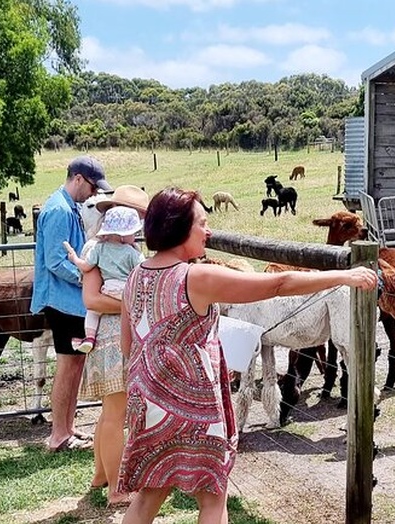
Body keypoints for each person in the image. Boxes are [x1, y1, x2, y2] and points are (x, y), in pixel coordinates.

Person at [118, 187, 378, 524]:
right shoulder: (195, 277)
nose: (208, 231)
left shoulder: (136, 275)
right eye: (202, 223)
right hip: (193, 403)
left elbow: (129, 345)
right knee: (213, 497)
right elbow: (278, 285)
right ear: (178, 227)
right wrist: (344, 275)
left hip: (148, 400)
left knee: (148, 495)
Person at [30, 155, 111, 452]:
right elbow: (54, 260)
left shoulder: (68, 207)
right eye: (92, 186)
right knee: (67, 367)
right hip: (63, 302)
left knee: (75, 365)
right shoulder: (59, 211)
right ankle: (58, 435)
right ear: (78, 178)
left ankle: (67, 428)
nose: (94, 193)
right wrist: (85, 279)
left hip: (72, 303)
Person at [77, 185, 150, 506]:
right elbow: (92, 299)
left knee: (110, 412)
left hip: (110, 334)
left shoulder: (107, 248)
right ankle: (118, 489)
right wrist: (133, 305)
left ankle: (101, 474)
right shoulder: (98, 248)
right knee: (116, 414)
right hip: (112, 337)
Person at [63, 205, 145, 354]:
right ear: (123, 235)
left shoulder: (98, 249)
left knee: (92, 312)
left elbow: (86, 266)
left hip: (108, 288)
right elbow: (142, 271)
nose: (135, 236)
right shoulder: (132, 252)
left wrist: (74, 258)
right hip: (126, 289)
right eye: (134, 232)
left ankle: (89, 337)